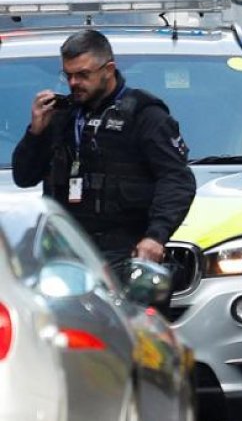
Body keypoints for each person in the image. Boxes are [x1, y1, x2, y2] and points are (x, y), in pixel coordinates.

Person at [11, 29, 196, 267]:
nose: (73, 83)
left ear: (108, 70)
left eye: (82, 75)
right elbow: (24, 177)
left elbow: (176, 179)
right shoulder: (61, 116)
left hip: (124, 252)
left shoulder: (144, 115)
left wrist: (156, 236)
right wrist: (35, 133)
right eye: (68, 75)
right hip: (65, 252)